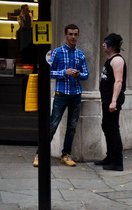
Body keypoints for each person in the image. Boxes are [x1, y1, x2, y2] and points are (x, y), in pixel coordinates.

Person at [33, 24, 89, 167]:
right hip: (61, 94)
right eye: (70, 34)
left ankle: (66, 154)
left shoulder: (80, 54)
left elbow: (86, 74)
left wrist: (78, 74)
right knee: (52, 125)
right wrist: (64, 72)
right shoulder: (56, 53)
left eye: (75, 34)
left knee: (72, 126)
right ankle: (40, 154)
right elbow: (48, 72)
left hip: (76, 94)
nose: (73, 37)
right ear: (65, 35)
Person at [95, 33, 127, 171]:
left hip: (112, 100)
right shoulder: (111, 59)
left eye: (106, 42)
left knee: (113, 129)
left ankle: (117, 162)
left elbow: (118, 81)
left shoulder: (117, 60)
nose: (103, 44)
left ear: (113, 46)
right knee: (106, 127)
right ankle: (110, 158)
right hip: (107, 99)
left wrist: (113, 101)